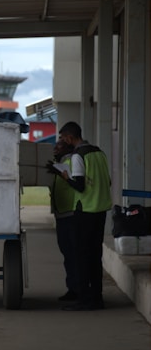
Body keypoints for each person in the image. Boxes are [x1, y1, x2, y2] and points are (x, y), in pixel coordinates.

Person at [58, 121, 112, 311]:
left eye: (63, 138)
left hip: (85, 211)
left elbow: (79, 185)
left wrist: (66, 177)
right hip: (101, 211)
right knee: (95, 256)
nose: (63, 141)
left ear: (70, 137)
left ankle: (84, 299)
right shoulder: (100, 153)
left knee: (81, 256)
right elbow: (108, 181)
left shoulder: (77, 156)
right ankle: (97, 298)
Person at [48, 140, 77, 302]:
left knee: (72, 254)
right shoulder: (59, 164)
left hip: (70, 214)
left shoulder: (70, 162)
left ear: (67, 147)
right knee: (67, 253)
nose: (55, 149)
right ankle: (72, 288)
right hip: (62, 215)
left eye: (58, 147)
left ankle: (77, 289)